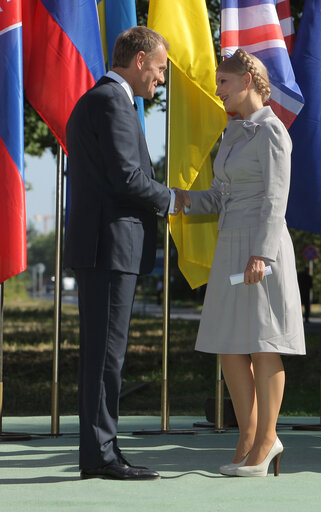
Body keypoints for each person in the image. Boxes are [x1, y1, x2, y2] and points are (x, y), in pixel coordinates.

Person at [174, 49, 305, 477]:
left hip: (260, 247)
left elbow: (275, 198)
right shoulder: (231, 133)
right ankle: (247, 437)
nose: (218, 91)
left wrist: (262, 254)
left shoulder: (272, 132)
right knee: (230, 344)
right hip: (230, 244)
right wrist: (174, 199)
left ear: (247, 79)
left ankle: (268, 439)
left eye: (223, 83)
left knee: (264, 342)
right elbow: (219, 196)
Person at [65, 27, 175, 481]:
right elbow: (127, 178)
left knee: (103, 355)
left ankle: (103, 449)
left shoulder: (108, 99)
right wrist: (174, 198)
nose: (161, 80)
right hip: (110, 248)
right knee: (106, 357)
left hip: (107, 248)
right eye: (160, 69)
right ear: (141, 58)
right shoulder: (112, 100)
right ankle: (100, 455)